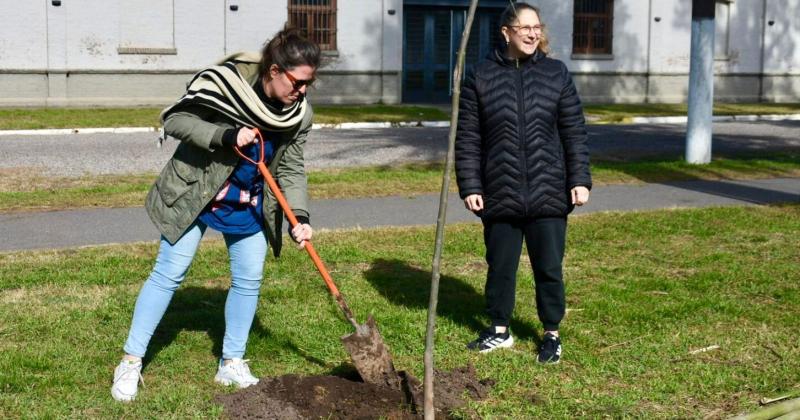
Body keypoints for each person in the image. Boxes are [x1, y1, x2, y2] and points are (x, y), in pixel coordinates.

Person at [111, 28, 320, 402]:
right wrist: (225, 135)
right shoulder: (227, 86)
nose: (302, 91)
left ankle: (231, 362)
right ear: (274, 71)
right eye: (298, 81)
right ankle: (131, 360)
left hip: (248, 202)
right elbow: (175, 121)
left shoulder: (298, 115)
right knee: (168, 274)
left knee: (248, 281)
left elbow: (291, 168)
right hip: (196, 194)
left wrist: (299, 216)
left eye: (309, 83)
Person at [455, 2, 591, 364]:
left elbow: (573, 132)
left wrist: (579, 179)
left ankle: (551, 333)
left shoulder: (556, 74)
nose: (533, 33)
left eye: (537, 27)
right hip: (499, 192)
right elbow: (468, 137)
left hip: (549, 191)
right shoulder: (480, 76)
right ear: (506, 33)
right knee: (500, 267)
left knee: (548, 267)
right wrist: (470, 186)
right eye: (524, 27)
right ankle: (499, 330)